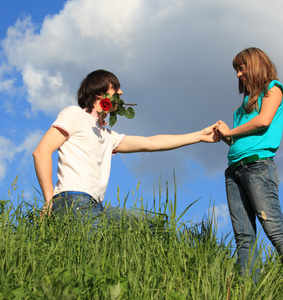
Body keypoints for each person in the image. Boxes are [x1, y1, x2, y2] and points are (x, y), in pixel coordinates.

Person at [33, 69, 220, 224]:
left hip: (94, 204)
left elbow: (151, 143)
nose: (121, 93)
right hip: (73, 199)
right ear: (99, 93)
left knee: (152, 225)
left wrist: (199, 136)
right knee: (93, 256)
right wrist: (49, 201)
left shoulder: (107, 135)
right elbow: (41, 152)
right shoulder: (74, 114)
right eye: (116, 88)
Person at [215, 48, 283, 277]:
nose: (238, 74)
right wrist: (224, 135)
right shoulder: (241, 108)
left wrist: (231, 132)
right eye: (236, 70)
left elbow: (263, 122)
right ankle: (247, 289)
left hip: (258, 167)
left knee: (274, 230)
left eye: (241, 68)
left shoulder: (273, 89)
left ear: (255, 65)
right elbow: (237, 143)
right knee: (243, 236)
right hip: (234, 171)